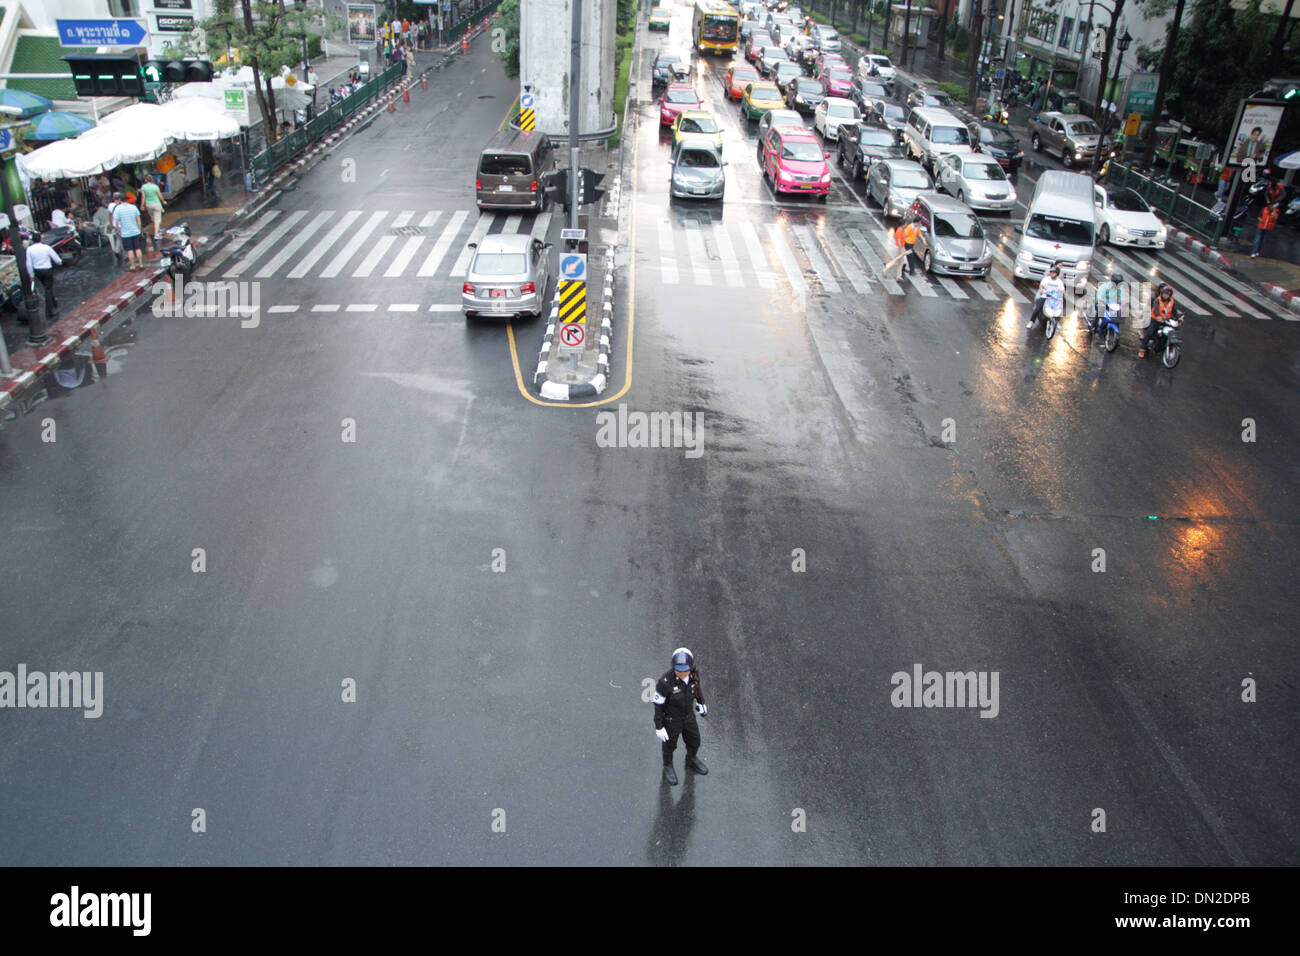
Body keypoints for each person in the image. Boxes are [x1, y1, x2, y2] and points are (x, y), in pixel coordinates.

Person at [652, 648, 709, 786]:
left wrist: (701, 703)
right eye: (679, 670)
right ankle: (668, 766)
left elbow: (697, 688)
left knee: (695, 741)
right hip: (672, 720)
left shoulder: (694, 675)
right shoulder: (665, 682)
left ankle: (691, 759)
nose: (682, 673)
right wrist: (659, 726)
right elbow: (658, 705)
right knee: (669, 746)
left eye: (685, 670)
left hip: (689, 716)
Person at [26, 234, 62, 323]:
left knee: (47, 287)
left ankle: (54, 303)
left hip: (37, 271)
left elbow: (29, 264)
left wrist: (31, 275)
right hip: (47, 270)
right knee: (48, 289)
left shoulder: (29, 250)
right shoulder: (46, 247)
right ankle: (49, 311)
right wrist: (59, 262)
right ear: (41, 239)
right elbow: (55, 258)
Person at [1140, 283, 1176, 358]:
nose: (1165, 295)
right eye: (1164, 294)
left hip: (1166, 321)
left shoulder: (1172, 301)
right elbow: (1155, 309)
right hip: (1155, 320)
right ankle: (1142, 349)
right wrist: (1158, 316)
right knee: (1149, 333)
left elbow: (1174, 311)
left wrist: (1178, 319)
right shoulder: (1157, 300)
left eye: (1167, 294)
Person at [111, 191, 145, 271]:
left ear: (120, 200)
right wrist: (139, 229)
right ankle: (141, 264)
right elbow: (138, 220)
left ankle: (132, 266)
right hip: (136, 231)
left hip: (125, 233)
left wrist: (118, 230)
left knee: (129, 250)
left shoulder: (118, 209)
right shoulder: (133, 207)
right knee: (137, 248)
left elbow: (116, 222)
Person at [1028, 263, 1066, 328]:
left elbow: (1062, 290)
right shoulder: (1046, 279)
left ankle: (1057, 322)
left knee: (1060, 309)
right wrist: (1042, 291)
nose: (1052, 274)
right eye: (1051, 272)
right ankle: (1031, 321)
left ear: (1057, 273)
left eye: (1054, 273)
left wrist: (1061, 294)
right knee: (1038, 308)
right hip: (1045, 296)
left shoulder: (1059, 282)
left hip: (1054, 297)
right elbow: (1041, 286)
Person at [140, 173, 165, 247]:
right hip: (156, 204)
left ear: (145, 180)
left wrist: (142, 205)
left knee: (153, 218)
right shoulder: (155, 187)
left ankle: (158, 229)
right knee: (157, 219)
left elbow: (143, 197)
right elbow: (159, 195)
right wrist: (163, 201)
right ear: (152, 180)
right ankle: (156, 234)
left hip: (148, 205)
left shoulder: (143, 187)